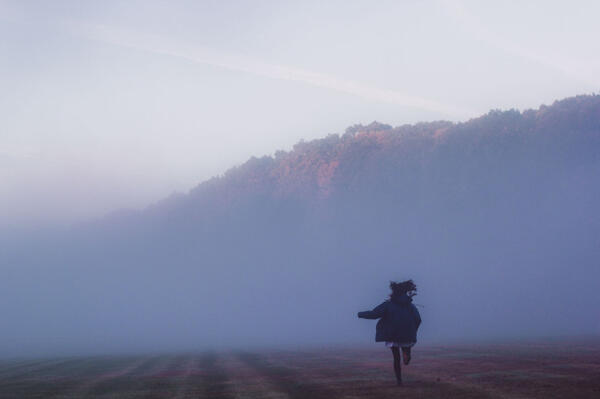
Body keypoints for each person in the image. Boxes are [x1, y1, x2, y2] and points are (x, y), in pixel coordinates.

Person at [357, 280, 421, 386]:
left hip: (393, 334)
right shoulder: (411, 306)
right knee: (406, 347)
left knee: (396, 358)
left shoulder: (388, 305)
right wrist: (414, 331)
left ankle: (399, 381)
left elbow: (374, 314)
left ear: (394, 293)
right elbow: (418, 319)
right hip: (408, 334)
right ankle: (407, 354)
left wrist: (360, 314)